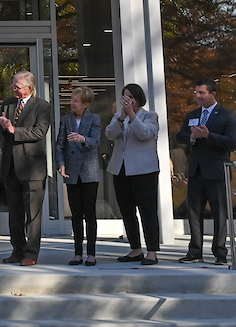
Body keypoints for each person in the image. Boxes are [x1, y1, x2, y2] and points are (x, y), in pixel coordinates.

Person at [175, 78, 236, 265]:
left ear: (213, 94)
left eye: (202, 93)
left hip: (217, 170)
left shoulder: (226, 115)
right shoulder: (193, 114)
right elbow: (180, 136)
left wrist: (209, 135)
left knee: (219, 213)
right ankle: (195, 251)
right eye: (196, 92)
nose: (198, 96)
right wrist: (192, 137)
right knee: (194, 213)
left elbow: (232, 141)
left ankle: (220, 253)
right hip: (196, 171)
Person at [0, 70, 52, 266]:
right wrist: (2, 126)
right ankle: (17, 250)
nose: (14, 89)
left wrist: (14, 130)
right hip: (11, 165)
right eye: (13, 85)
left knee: (33, 213)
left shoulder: (42, 106)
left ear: (29, 87)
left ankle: (31, 253)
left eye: (17, 86)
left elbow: (39, 132)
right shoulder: (8, 104)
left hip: (32, 167)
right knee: (15, 212)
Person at [106, 83, 161, 265]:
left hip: (144, 170)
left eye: (131, 97)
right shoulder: (119, 116)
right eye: (125, 97)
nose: (127, 100)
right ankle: (135, 249)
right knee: (127, 211)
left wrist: (131, 115)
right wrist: (122, 117)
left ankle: (152, 251)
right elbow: (109, 134)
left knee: (147, 211)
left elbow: (145, 133)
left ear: (138, 99)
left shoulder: (150, 116)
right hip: (121, 169)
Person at [55, 86, 101, 266]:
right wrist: (61, 163)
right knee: (75, 214)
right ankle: (77, 253)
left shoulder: (94, 119)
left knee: (89, 213)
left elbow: (96, 141)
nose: (72, 103)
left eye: (76, 100)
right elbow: (59, 144)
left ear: (86, 104)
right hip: (72, 171)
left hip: (89, 172)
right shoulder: (66, 120)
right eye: (72, 100)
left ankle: (91, 253)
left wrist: (82, 139)